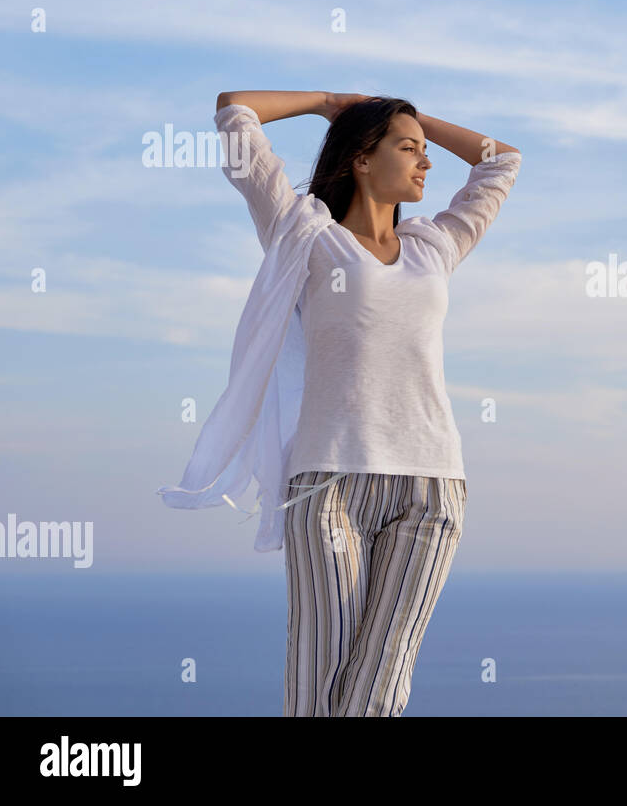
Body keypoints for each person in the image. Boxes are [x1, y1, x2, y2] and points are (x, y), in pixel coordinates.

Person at [163, 90, 520, 716]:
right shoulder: (305, 233)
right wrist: (333, 104)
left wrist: (407, 120)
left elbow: (500, 162)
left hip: (432, 488)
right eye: (407, 149)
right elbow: (234, 109)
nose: (425, 162)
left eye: (426, 151)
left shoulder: (434, 244)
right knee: (319, 679)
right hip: (329, 484)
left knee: (379, 685)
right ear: (360, 158)